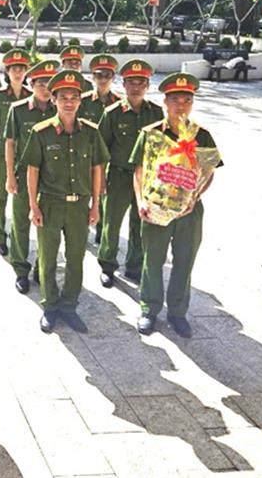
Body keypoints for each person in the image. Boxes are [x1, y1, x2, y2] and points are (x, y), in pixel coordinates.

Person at [130, 73, 222, 338]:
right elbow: (138, 171)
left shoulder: (201, 135)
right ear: (165, 103)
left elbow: (210, 172)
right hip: (156, 208)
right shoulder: (150, 135)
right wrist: (140, 202)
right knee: (153, 260)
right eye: (176, 100)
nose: (181, 106)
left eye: (187, 100)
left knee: (184, 261)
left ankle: (178, 313)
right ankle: (149, 309)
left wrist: (195, 198)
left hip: (189, 213)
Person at [23, 71, 108, 333]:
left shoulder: (91, 133)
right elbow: (33, 170)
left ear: (80, 101)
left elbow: (97, 169)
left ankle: (69, 305)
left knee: (75, 258)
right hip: (49, 203)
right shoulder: (41, 132)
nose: (69, 102)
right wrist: (33, 206)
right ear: (54, 100)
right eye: (63, 98)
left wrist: (95, 205)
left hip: (79, 205)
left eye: (74, 97)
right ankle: (50, 306)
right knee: (47, 258)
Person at [97, 59, 163, 286]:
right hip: (118, 175)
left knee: (140, 222)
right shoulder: (112, 113)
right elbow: (101, 149)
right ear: (123, 85)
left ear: (148, 86)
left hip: (146, 178)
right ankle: (107, 265)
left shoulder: (156, 112)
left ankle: (134, 266)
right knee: (111, 223)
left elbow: (163, 148)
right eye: (131, 82)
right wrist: (101, 180)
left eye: (141, 82)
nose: (136, 87)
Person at [5, 59, 58, 293]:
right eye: (40, 83)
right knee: (20, 224)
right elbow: (10, 144)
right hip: (24, 175)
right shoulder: (17, 110)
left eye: (49, 83)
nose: (45, 87)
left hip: (52, 179)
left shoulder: (61, 110)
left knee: (47, 225)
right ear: (31, 83)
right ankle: (20, 269)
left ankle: (42, 267)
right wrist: (9, 176)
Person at [0, 49, 32, 256]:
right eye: (14, 69)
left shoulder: (31, 97)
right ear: (8, 71)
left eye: (22, 69)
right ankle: (0, 236)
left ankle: (17, 238)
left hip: (25, 156)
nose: (18, 73)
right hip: (1, 154)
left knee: (22, 201)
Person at [81, 54, 119, 243]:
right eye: (99, 75)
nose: (103, 79)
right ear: (93, 77)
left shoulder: (120, 103)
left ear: (113, 77)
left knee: (104, 196)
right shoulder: (82, 101)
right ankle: (81, 228)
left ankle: (101, 231)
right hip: (83, 156)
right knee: (83, 193)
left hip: (108, 158)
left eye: (107, 75)